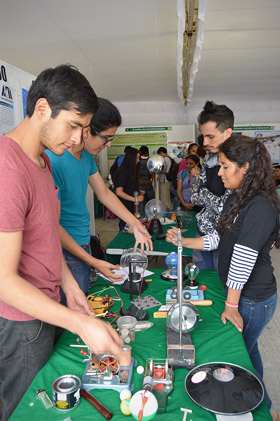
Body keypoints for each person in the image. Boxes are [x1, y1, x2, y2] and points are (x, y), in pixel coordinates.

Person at [0, 65, 125, 420]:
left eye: (83, 130)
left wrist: (70, 287)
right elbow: (4, 281)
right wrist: (81, 323)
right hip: (22, 319)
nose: (75, 139)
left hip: (48, 301)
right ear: (42, 109)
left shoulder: (40, 161)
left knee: (54, 404)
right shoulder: (7, 168)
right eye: (72, 125)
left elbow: (45, 235)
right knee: (29, 408)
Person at [166, 135, 280, 421]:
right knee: (248, 352)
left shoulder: (261, 205)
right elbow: (219, 237)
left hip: (253, 298)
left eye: (225, 166)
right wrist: (183, 241)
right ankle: (263, 405)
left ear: (246, 167)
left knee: (239, 352)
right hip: (239, 293)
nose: (219, 172)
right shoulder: (237, 196)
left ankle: (256, 407)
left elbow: (243, 257)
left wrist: (231, 305)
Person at [46, 99, 152, 297]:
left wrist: (136, 224)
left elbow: (103, 193)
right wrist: (93, 262)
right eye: (106, 138)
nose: (109, 144)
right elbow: (52, 226)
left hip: (83, 243)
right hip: (65, 251)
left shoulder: (86, 157)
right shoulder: (54, 160)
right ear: (86, 129)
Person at [191, 100, 234, 271]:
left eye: (211, 136)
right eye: (203, 136)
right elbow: (194, 196)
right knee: (200, 285)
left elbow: (229, 208)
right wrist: (212, 198)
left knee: (220, 289)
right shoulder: (209, 158)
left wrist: (205, 195)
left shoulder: (240, 160)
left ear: (228, 132)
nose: (204, 142)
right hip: (202, 232)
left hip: (224, 238)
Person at [115, 147, 145, 230]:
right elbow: (119, 192)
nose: (138, 160)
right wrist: (135, 199)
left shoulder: (132, 170)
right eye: (137, 158)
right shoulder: (123, 171)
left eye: (139, 158)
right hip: (125, 207)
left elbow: (129, 186)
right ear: (131, 158)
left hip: (132, 207)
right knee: (125, 229)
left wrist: (139, 192)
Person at [139, 145, 155, 213]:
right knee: (151, 201)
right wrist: (150, 180)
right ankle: (152, 215)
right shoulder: (150, 160)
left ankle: (141, 216)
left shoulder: (138, 161)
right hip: (148, 183)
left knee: (140, 201)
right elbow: (153, 173)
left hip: (139, 183)